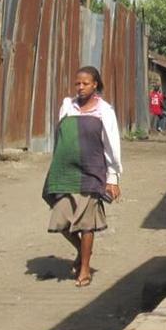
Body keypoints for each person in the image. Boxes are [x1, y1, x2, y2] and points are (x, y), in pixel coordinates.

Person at [42, 66, 122, 287]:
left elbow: (112, 146)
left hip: (93, 170)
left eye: (85, 83)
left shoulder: (104, 111)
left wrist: (113, 177)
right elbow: (62, 138)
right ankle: (81, 249)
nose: (80, 87)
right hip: (65, 169)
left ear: (95, 84)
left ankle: (85, 268)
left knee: (87, 222)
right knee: (60, 217)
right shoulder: (68, 106)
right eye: (77, 83)